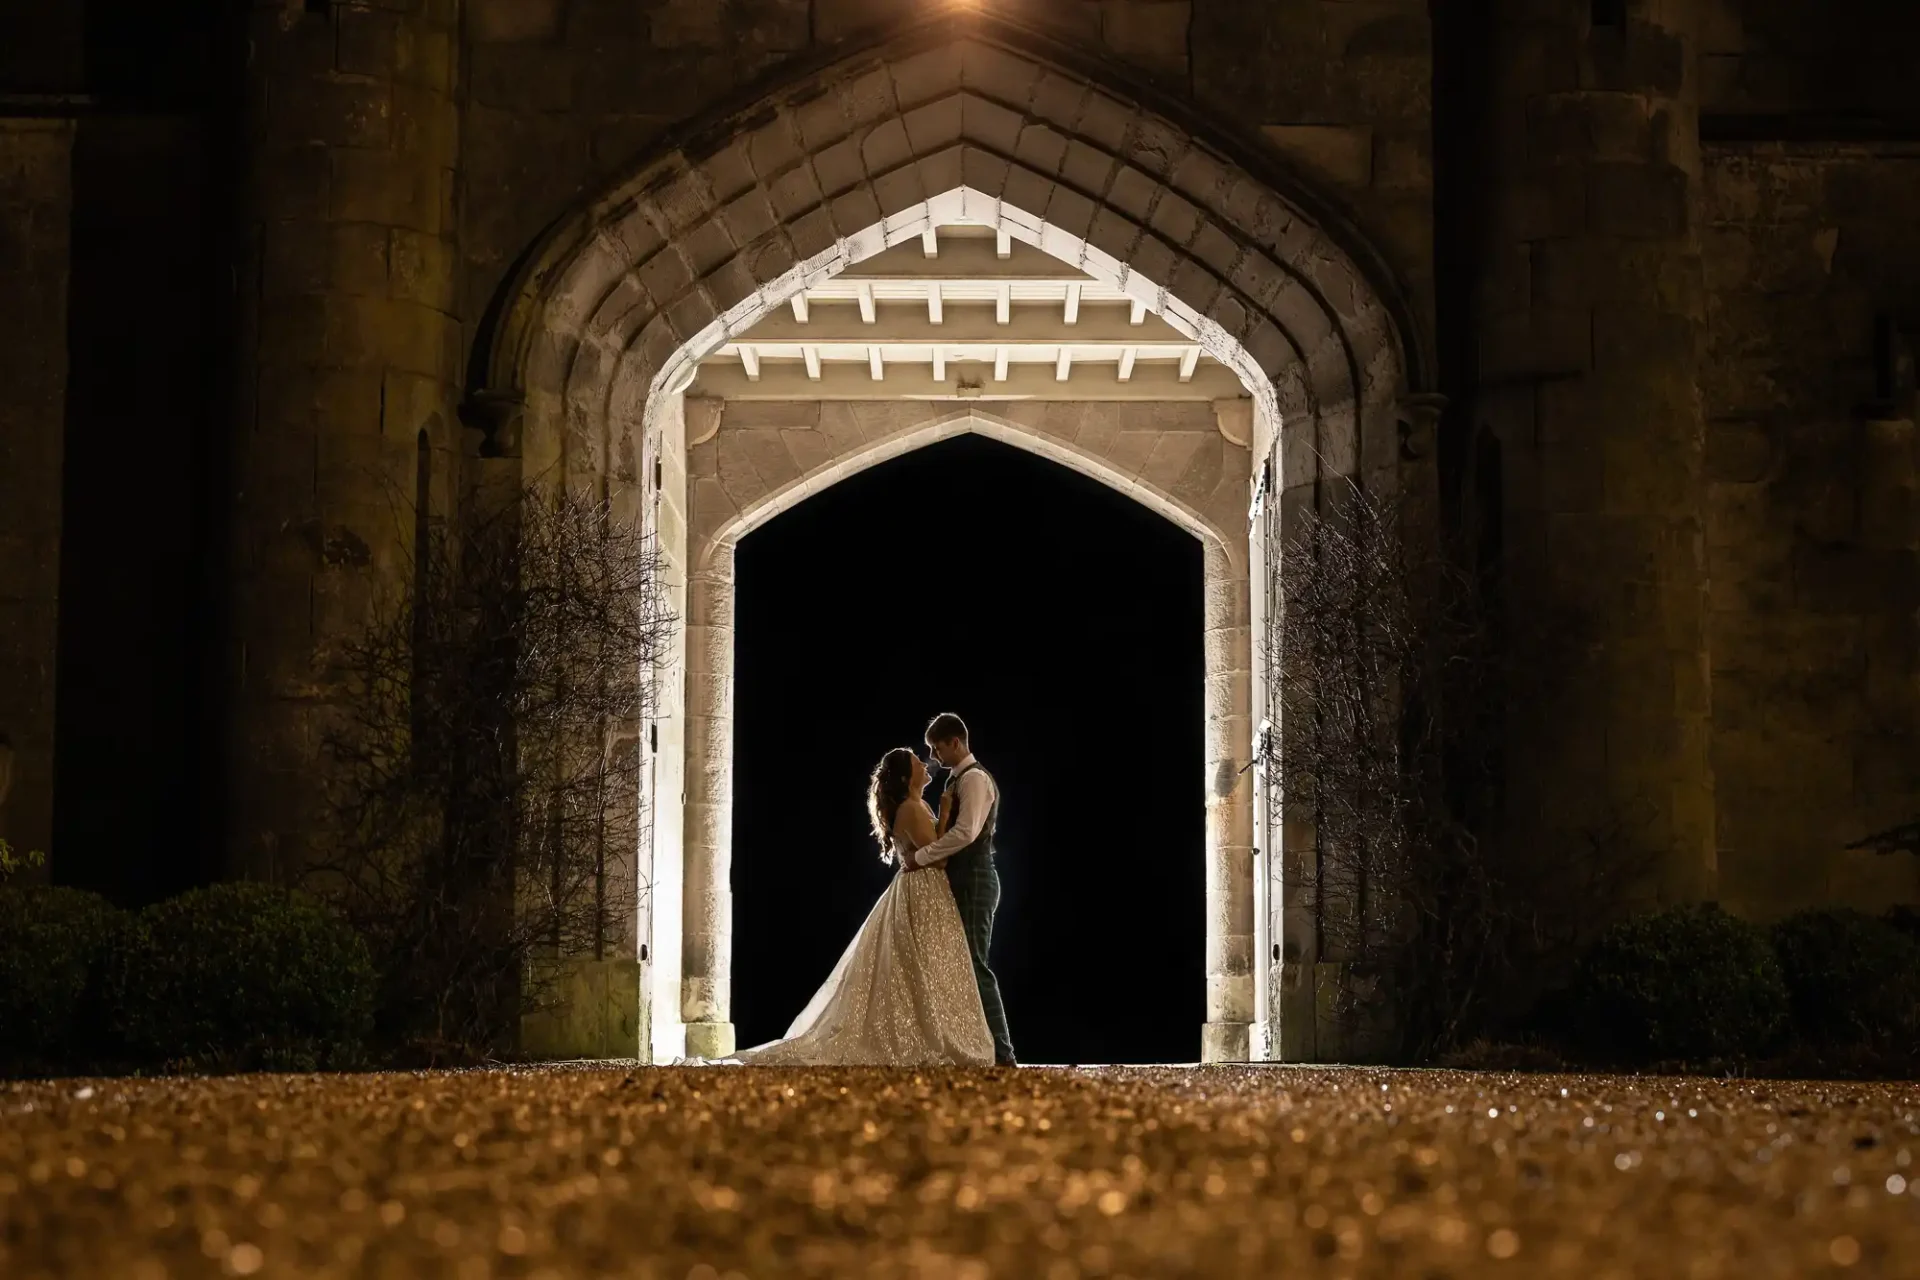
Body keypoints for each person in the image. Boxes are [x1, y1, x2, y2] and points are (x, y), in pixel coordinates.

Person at [723, 747, 995, 1066]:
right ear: (907, 777)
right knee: (920, 965)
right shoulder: (911, 807)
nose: (925, 764)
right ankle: (927, 1035)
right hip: (923, 891)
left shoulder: (915, 805)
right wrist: (946, 812)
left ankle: (930, 1027)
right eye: (917, 762)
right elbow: (940, 854)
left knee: (923, 967)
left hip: (926, 889)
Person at [902, 712, 1017, 1067]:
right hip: (963, 878)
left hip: (976, 878)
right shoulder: (956, 781)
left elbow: (966, 832)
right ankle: (979, 1049)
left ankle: (1002, 1053)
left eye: (937, 749)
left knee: (976, 964)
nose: (934, 758)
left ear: (955, 742)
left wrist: (922, 856)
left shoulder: (975, 779)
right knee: (965, 965)